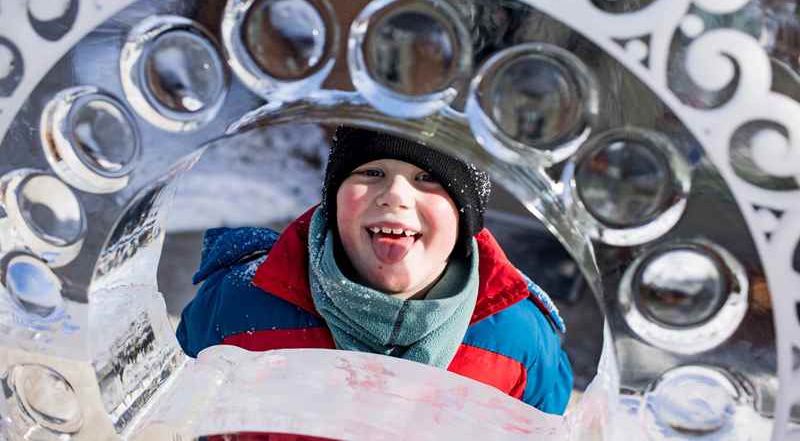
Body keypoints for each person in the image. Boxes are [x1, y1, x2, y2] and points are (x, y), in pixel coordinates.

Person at [177, 126, 573, 414]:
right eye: (371, 172)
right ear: (334, 199)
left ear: (465, 217)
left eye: (428, 178)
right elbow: (183, 407)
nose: (395, 195)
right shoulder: (240, 303)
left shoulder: (517, 335)